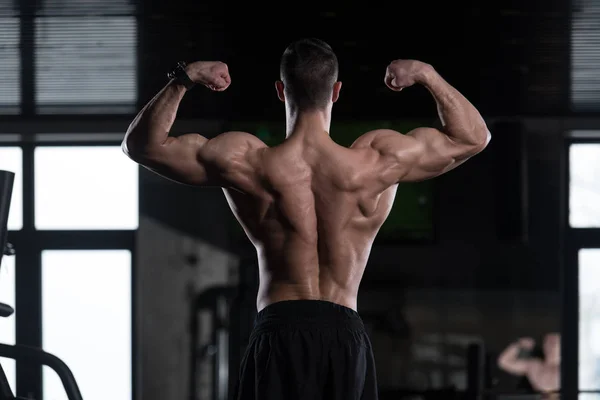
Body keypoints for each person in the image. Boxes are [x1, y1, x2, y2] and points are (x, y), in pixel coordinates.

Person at [122, 38, 490, 400]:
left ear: (281, 91)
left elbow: (140, 145)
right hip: (344, 333)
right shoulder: (376, 160)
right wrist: (426, 74)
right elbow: (473, 137)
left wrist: (185, 77)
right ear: (336, 92)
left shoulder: (245, 160)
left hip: (278, 330)